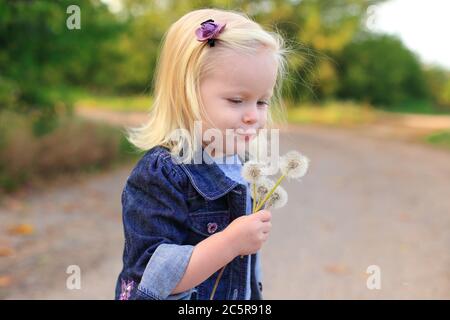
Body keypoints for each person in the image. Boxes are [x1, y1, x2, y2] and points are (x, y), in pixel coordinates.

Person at [115, 7, 290, 300]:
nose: (253, 116)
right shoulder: (163, 172)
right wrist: (230, 243)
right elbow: (150, 278)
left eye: (262, 102)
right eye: (237, 100)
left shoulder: (241, 164)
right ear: (188, 94)